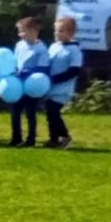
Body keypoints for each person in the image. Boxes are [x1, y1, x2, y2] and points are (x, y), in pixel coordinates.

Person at [9, 17, 50, 148]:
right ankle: (16, 137)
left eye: (22, 31)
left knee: (30, 112)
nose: (20, 34)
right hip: (19, 84)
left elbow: (43, 67)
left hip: (33, 84)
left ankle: (31, 138)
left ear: (34, 31)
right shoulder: (20, 45)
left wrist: (27, 71)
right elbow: (14, 61)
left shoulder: (41, 49)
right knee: (15, 111)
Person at [43, 16, 80, 149]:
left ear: (70, 33)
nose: (57, 34)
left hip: (63, 88)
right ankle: (53, 139)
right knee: (50, 112)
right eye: (56, 31)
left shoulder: (74, 50)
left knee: (53, 111)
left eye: (61, 31)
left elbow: (74, 71)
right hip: (50, 86)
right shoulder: (54, 47)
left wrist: (56, 79)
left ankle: (65, 136)